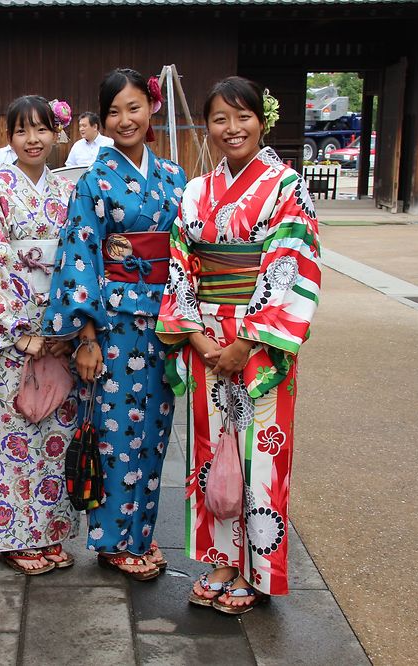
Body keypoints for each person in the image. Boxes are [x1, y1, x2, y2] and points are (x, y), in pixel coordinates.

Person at [156, 76, 321, 614]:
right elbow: (183, 263)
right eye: (220, 119)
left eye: (242, 116)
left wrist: (247, 340)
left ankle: (256, 569)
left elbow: (289, 265)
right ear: (208, 126)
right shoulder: (197, 191)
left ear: (262, 120)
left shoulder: (286, 186)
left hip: (257, 346)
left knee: (261, 454)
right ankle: (221, 559)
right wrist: (199, 337)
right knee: (211, 452)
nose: (232, 128)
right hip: (205, 335)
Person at [43, 68, 186, 580]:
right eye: (113, 111)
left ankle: (140, 534)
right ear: (101, 120)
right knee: (115, 432)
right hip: (113, 323)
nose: (124, 119)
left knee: (155, 429)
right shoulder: (94, 179)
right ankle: (112, 540)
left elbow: (186, 252)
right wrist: (85, 335)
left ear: (152, 110)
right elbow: (80, 253)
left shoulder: (173, 176)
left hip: (165, 321)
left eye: (134, 108)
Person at [0, 96, 79, 575]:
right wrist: (19, 332)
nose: (33, 139)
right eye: (21, 131)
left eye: (41, 129)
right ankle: (16, 536)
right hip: (13, 334)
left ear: (57, 133)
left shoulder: (69, 192)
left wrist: (67, 326)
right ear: (9, 137)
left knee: (57, 430)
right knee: (13, 430)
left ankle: (52, 530)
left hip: (58, 334)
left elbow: (80, 259)